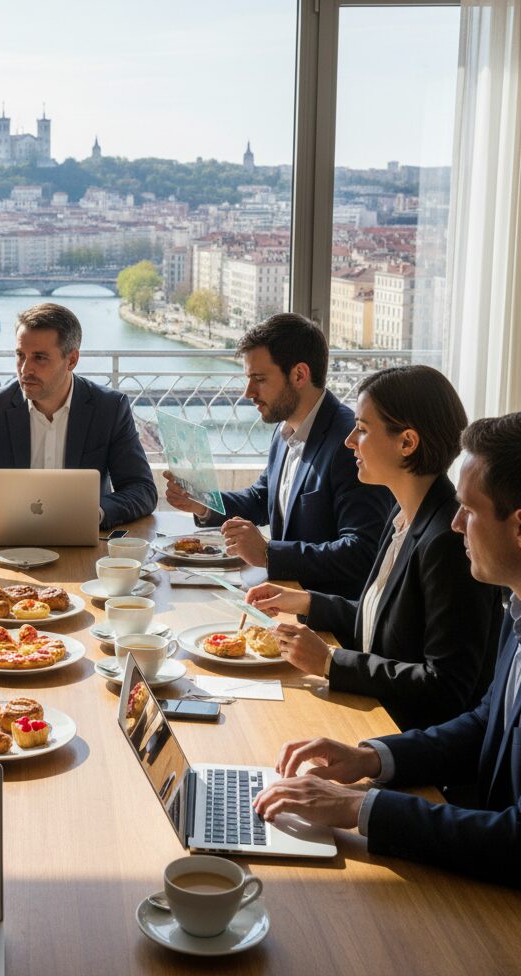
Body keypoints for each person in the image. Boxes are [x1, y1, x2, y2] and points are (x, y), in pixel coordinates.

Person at [253, 412, 521, 887]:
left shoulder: (449, 549)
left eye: (470, 510)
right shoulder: (516, 607)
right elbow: (486, 722)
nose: (457, 523)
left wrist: (361, 807)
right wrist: (371, 757)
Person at [244, 366, 501, 732]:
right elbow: (385, 622)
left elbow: (445, 686)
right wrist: (305, 602)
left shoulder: (448, 540)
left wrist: (330, 662)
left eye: (362, 429)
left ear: (407, 443)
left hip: (402, 737)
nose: (349, 441)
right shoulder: (402, 515)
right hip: (375, 715)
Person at [164, 313, 391, 597]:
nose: (248, 392)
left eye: (259, 379)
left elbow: (363, 552)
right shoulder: (285, 430)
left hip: (322, 611)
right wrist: (203, 502)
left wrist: (269, 553)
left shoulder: (349, 444)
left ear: (299, 375)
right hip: (284, 595)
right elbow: (261, 498)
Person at [0, 302, 157, 530]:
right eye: (20, 355)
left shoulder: (109, 408)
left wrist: (95, 513)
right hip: (9, 539)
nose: (25, 369)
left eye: (39, 358)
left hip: (84, 538)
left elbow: (142, 489)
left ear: (71, 360)